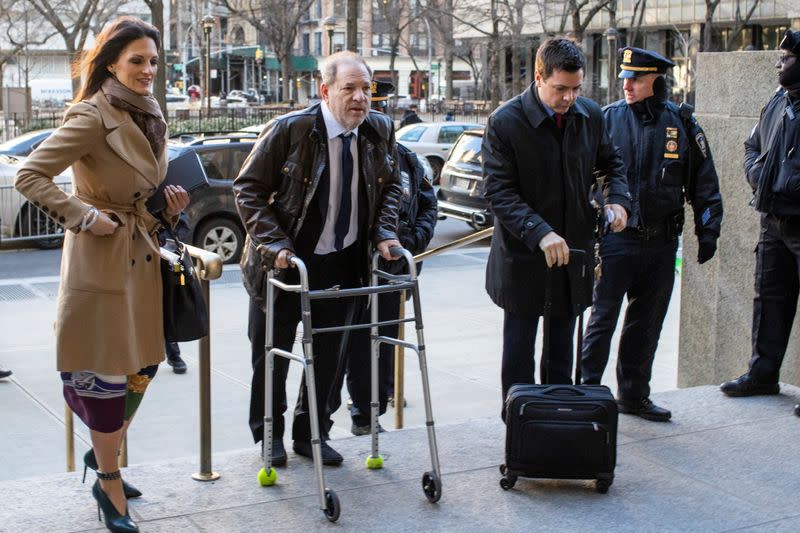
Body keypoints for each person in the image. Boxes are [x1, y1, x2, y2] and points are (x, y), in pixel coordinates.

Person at [14, 17, 189, 533]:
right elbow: (29, 174)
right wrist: (84, 215)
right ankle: (108, 477)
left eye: (153, 61)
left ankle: (102, 452)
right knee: (104, 376)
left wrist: (169, 208)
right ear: (111, 61)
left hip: (143, 251)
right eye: (137, 60)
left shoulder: (149, 114)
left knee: (145, 364)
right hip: (101, 257)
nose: (147, 70)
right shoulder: (92, 115)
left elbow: (142, 192)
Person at [234, 51, 402, 466]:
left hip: (343, 261)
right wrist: (275, 246)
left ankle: (313, 433)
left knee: (330, 355)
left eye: (366, 89)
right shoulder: (290, 130)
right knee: (271, 354)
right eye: (350, 88)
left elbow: (393, 186)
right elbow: (247, 190)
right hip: (286, 263)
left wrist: (383, 233)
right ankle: (269, 434)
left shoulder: (379, 130)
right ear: (326, 91)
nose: (361, 98)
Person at [482, 38, 630, 410]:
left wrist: (617, 199)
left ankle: (559, 426)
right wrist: (540, 232)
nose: (569, 98)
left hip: (573, 254)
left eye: (576, 88)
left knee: (562, 353)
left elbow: (611, 165)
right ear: (538, 77)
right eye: (561, 88)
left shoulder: (590, 115)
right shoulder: (505, 122)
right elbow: (499, 193)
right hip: (523, 256)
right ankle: (520, 429)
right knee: (518, 353)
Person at [581, 47, 723, 422]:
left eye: (637, 78)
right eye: (624, 77)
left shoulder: (681, 123)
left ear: (657, 81)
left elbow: (704, 182)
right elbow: (586, 179)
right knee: (602, 320)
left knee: (646, 324)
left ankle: (633, 395)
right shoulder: (607, 119)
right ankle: (587, 393)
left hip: (661, 242)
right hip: (616, 240)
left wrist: (709, 230)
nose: (626, 84)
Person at [333, 80, 438, 436]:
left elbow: (427, 204)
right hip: (349, 270)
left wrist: (413, 239)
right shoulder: (340, 153)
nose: (372, 115)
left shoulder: (404, 158)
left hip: (390, 272)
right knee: (350, 346)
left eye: (379, 108)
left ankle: (371, 410)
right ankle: (351, 412)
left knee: (385, 343)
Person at [720, 30, 800, 414]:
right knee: (768, 298)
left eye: (785, 57)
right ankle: (762, 373)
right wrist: (759, 174)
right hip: (773, 219)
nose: (778, 62)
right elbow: (752, 145)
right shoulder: (777, 102)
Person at [158, 212, 191, 374]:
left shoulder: (164, 188)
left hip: (165, 260)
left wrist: (165, 241)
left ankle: (173, 354)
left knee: (167, 309)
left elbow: (183, 224)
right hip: (135, 261)